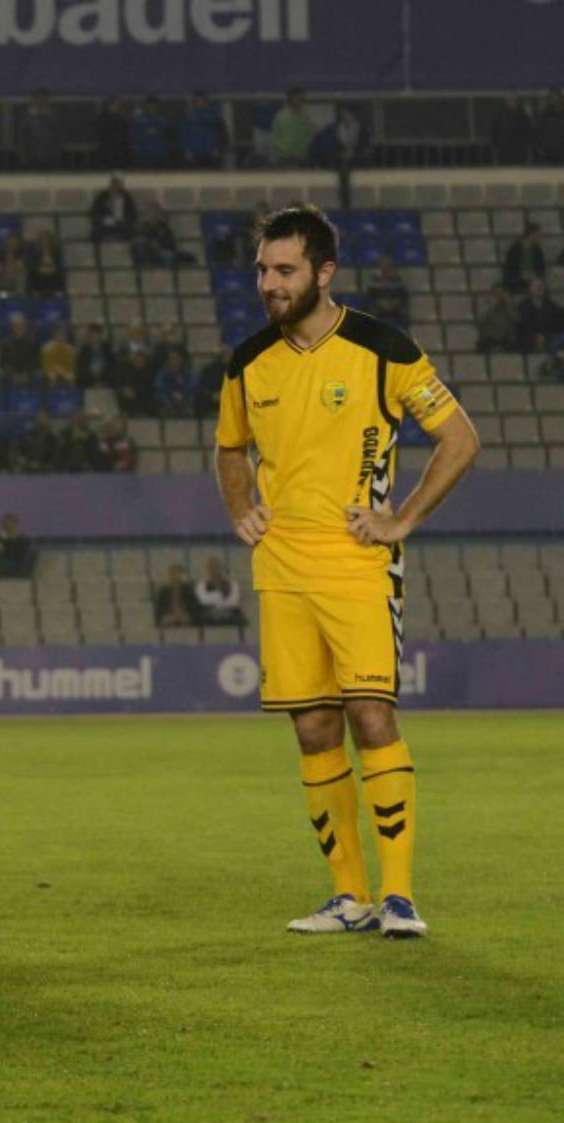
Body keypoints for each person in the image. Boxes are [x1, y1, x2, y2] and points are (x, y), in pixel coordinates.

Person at [215, 205, 480, 939]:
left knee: (371, 713)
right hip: (282, 569)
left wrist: (401, 521)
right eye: (263, 269)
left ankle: (398, 896)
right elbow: (230, 448)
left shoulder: (383, 348)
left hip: (358, 565)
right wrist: (242, 506)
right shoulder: (247, 361)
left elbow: (459, 438)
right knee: (311, 726)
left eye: (285, 270)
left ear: (324, 273)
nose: (269, 283)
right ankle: (349, 896)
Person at [193, 556, 246, 626]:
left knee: (240, 618)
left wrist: (214, 599)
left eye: (217, 567)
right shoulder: (201, 585)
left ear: (222, 568)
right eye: (212, 567)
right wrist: (220, 595)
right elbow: (203, 601)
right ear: (208, 569)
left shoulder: (232, 584)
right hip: (209, 614)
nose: (215, 570)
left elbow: (234, 601)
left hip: (229, 613)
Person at [500, 223, 546, 295]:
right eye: (538, 234)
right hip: (517, 285)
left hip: (534, 284)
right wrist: (521, 276)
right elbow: (508, 270)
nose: (540, 237)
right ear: (531, 234)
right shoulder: (515, 250)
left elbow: (541, 269)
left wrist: (534, 275)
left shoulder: (537, 251)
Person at [90, 174, 137, 243]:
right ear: (111, 183)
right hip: (105, 225)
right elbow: (95, 212)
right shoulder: (102, 196)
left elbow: (132, 213)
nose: (116, 185)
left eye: (119, 183)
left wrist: (127, 221)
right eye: (114, 182)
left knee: (131, 232)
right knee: (95, 233)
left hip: (122, 226)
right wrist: (103, 220)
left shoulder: (126, 197)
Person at [0, 514, 36, 578]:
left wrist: (14, 539)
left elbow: (30, 548)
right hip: (1, 568)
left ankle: (24, 577)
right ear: (2, 525)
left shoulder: (23, 540)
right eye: (7, 524)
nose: (9, 526)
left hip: (20, 567)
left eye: (11, 524)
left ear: (15, 525)